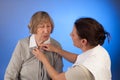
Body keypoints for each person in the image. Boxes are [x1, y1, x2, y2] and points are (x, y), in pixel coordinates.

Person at [32, 17, 112, 80]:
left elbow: (57, 78)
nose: (70, 35)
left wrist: (43, 58)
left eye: (73, 34)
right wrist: (56, 50)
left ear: (83, 41)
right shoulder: (100, 51)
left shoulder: (82, 71)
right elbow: (79, 58)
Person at [4, 11, 63, 80]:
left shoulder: (56, 46)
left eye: (48, 26)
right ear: (34, 28)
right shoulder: (22, 44)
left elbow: (59, 77)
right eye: (42, 27)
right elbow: (10, 75)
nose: (46, 31)